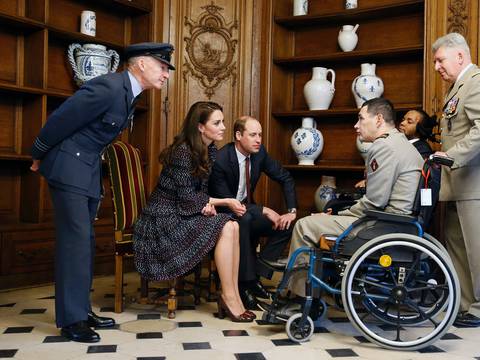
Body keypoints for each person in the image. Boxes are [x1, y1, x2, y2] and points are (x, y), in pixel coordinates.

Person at [29, 42, 175, 342]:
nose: (166, 75)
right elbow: (62, 119)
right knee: (75, 244)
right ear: (142, 64)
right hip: (69, 167)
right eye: (162, 67)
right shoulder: (108, 87)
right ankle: (72, 321)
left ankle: (80, 311)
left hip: (87, 169)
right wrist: (38, 153)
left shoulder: (128, 93)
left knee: (85, 242)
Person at [286, 98, 423, 299]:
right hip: (399, 223)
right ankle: (310, 291)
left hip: (383, 225)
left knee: (305, 225)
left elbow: (374, 202)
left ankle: (299, 298)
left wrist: (337, 213)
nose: (356, 125)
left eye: (360, 118)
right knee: (319, 221)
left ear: (378, 119)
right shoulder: (401, 143)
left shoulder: (383, 147)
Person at [133, 101, 254, 323]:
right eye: (217, 123)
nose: (223, 127)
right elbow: (187, 199)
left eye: (223, 122)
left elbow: (198, 193)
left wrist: (208, 204)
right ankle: (228, 297)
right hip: (162, 221)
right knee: (227, 225)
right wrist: (224, 201)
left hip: (181, 211)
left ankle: (233, 294)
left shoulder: (209, 150)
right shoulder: (182, 152)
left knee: (233, 225)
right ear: (200, 127)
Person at [209, 116, 297, 310]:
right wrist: (264, 209)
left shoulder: (259, 154)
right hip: (223, 214)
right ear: (238, 135)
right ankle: (246, 285)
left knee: (286, 225)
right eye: (253, 135)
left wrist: (291, 211)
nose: (258, 139)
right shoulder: (222, 159)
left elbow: (286, 178)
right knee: (245, 219)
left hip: (247, 211)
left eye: (260, 135)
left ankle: (256, 274)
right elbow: (228, 203)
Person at [432, 32, 480, 327]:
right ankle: (464, 304)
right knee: (459, 247)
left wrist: (451, 157)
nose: (437, 66)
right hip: (456, 183)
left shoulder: (475, 83)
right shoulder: (456, 87)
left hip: (473, 183)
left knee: (477, 248)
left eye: (440, 60)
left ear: (459, 56)